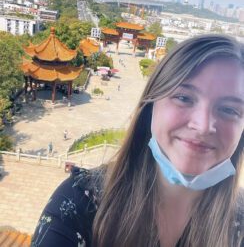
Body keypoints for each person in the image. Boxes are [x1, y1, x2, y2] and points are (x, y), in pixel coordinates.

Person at [31, 35, 244, 247]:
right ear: (151, 105)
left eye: (229, 109)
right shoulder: (79, 203)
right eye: (184, 97)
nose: (204, 126)